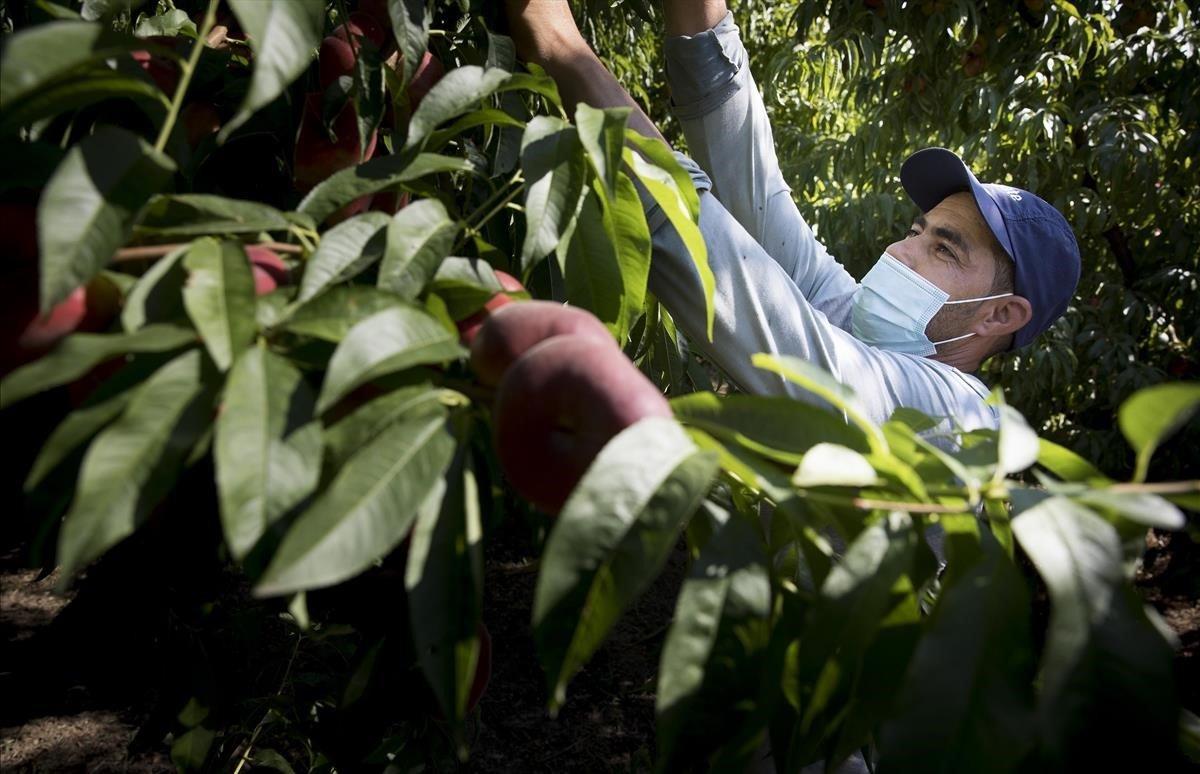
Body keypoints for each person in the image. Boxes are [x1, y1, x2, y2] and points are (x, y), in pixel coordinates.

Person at [504, 1, 1082, 436]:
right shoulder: (857, 327)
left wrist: (563, 49)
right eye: (916, 231)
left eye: (945, 249)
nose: (899, 252)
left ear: (999, 315)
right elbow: (756, 193)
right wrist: (701, 30)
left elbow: (743, 286)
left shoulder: (956, 420)